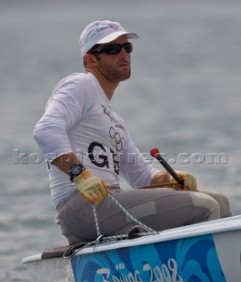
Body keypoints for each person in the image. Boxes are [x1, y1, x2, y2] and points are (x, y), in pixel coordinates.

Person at [33, 20, 232, 245]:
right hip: (81, 206)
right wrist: (80, 174)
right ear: (91, 59)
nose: (123, 54)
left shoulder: (115, 120)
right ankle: (198, 275)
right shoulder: (81, 84)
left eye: (127, 48)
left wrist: (171, 178)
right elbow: (46, 129)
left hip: (110, 203)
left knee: (220, 202)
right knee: (203, 206)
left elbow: (141, 176)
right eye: (111, 50)